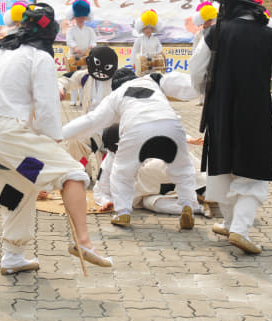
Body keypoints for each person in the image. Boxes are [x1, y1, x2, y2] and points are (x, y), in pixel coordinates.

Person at [0, 2, 112, 275]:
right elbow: (48, 107)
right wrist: (54, 141)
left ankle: (12, 256)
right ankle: (83, 242)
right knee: (72, 173)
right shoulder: (40, 57)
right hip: (10, 137)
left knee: (20, 190)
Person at [189, 0, 272, 254]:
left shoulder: (215, 33)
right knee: (256, 170)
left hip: (219, 110)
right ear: (253, 7)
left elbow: (195, 72)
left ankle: (232, 225)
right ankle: (238, 228)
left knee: (224, 165)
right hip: (256, 112)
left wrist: (207, 93)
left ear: (229, 7)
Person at [62, 68, 198, 230]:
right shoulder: (153, 79)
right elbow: (180, 83)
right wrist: (204, 85)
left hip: (137, 128)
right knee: (182, 169)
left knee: (122, 174)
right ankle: (187, 204)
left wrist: (60, 134)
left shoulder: (116, 94)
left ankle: (123, 212)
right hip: (171, 124)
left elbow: (92, 120)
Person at [94, 124, 210, 218]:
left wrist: (188, 140)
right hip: (148, 192)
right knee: (152, 204)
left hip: (172, 177)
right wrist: (107, 202)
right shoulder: (109, 164)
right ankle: (196, 207)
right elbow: (100, 191)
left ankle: (202, 189)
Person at [58, 46, 118, 177]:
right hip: (90, 125)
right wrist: (60, 88)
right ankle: (83, 172)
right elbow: (66, 79)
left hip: (112, 129)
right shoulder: (86, 76)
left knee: (108, 174)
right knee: (74, 143)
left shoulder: (119, 79)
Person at [66, 0, 97, 106]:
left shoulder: (89, 30)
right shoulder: (71, 30)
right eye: (78, 16)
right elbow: (69, 40)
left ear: (86, 17)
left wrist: (91, 46)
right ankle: (73, 99)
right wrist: (74, 47)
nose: (80, 19)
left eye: (82, 17)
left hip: (86, 57)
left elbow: (94, 41)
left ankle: (82, 99)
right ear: (74, 17)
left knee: (84, 78)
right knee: (74, 78)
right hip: (74, 57)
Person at [191, 1, 217, 106]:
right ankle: (201, 97)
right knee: (201, 77)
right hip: (200, 57)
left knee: (209, 78)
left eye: (210, 20)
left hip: (210, 57)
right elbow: (195, 46)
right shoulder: (198, 34)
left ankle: (208, 97)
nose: (208, 22)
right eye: (206, 20)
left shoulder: (214, 31)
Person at [130, 9, 163, 75]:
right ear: (142, 29)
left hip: (153, 63)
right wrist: (133, 63)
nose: (148, 30)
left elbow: (160, 49)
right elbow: (134, 51)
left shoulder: (156, 39)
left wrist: (156, 55)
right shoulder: (139, 40)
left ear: (153, 28)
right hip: (142, 64)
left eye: (150, 28)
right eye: (146, 28)